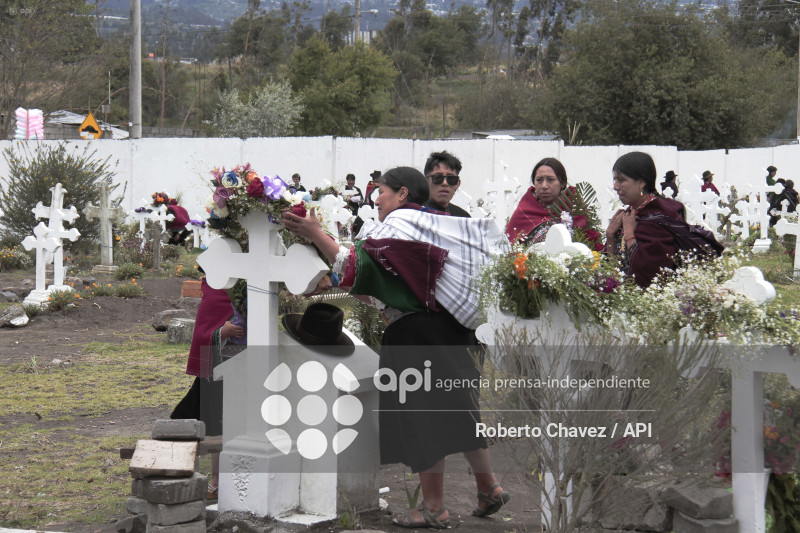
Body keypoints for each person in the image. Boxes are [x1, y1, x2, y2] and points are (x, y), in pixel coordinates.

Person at [282, 167, 508, 529]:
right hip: (459, 334)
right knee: (461, 410)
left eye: (382, 192)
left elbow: (356, 265)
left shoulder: (400, 223)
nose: (376, 199)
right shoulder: (438, 224)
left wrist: (314, 233)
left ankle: (433, 507)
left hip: (419, 337)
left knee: (423, 420)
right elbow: (390, 286)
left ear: (403, 194)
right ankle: (489, 487)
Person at [171, 277, 246, 501]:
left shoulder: (249, 289)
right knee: (211, 423)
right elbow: (204, 332)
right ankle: (216, 481)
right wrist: (223, 332)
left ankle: (229, 480)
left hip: (246, 369)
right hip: (218, 369)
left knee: (237, 425)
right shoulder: (213, 291)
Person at [605, 152, 692, 288]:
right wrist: (610, 236)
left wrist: (629, 236)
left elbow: (649, 277)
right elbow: (614, 272)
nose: (615, 186)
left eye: (621, 180)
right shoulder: (629, 214)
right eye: (614, 179)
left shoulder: (659, 217)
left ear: (642, 182)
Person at [505, 157, 604, 250]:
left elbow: (591, 246)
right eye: (539, 180)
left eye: (550, 180)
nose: (544, 186)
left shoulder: (575, 207)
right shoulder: (525, 211)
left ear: (562, 183)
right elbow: (509, 248)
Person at [423, 151, 470, 217]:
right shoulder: (414, 214)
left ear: (457, 184)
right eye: (438, 177)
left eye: (451, 179)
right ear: (426, 181)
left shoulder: (462, 217)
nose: (445, 183)